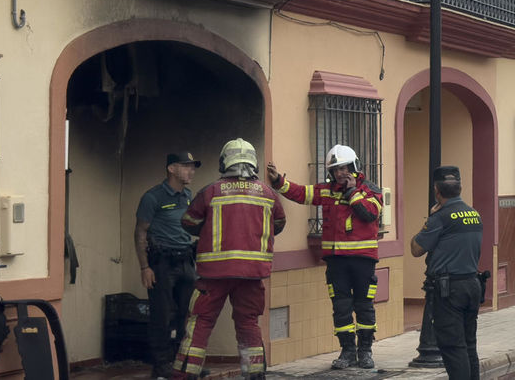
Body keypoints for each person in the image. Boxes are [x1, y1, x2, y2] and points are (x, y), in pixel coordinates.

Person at [172, 139, 285, 380]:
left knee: (200, 323)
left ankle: (185, 375)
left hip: (213, 275)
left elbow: (188, 222)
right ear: (253, 162)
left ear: (225, 162)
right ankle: (254, 374)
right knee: (248, 324)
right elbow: (279, 224)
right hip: (252, 276)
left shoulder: (211, 191)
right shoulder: (268, 193)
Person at [267, 145, 384, 369]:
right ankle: (347, 352)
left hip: (362, 260)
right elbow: (301, 193)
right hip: (336, 261)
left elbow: (369, 214)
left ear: (354, 167)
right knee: (340, 307)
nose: (340, 173)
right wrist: (279, 182)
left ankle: (365, 351)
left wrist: (351, 192)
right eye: (336, 169)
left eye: (344, 168)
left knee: (364, 306)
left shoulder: (370, 190)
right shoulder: (327, 190)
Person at [411, 166, 484, 380]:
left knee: (453, 347)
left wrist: (429, 219)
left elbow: (416, 248)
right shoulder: (474, 214)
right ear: (460, 188)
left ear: (436, 190)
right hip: (472, 285)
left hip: (449, 290)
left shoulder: (440, 217)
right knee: (469, 345)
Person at [135, 152, 201, 379]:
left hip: (185, 261)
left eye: (193, 167)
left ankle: (179, 364)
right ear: (171, 169)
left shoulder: (188, 195)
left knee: (185, 315)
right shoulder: (153, 197)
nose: (191, 171)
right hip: (162, 264)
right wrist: (145, 267)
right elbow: (140, 233)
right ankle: (161, 366)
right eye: (186, 167)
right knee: (161, 316)